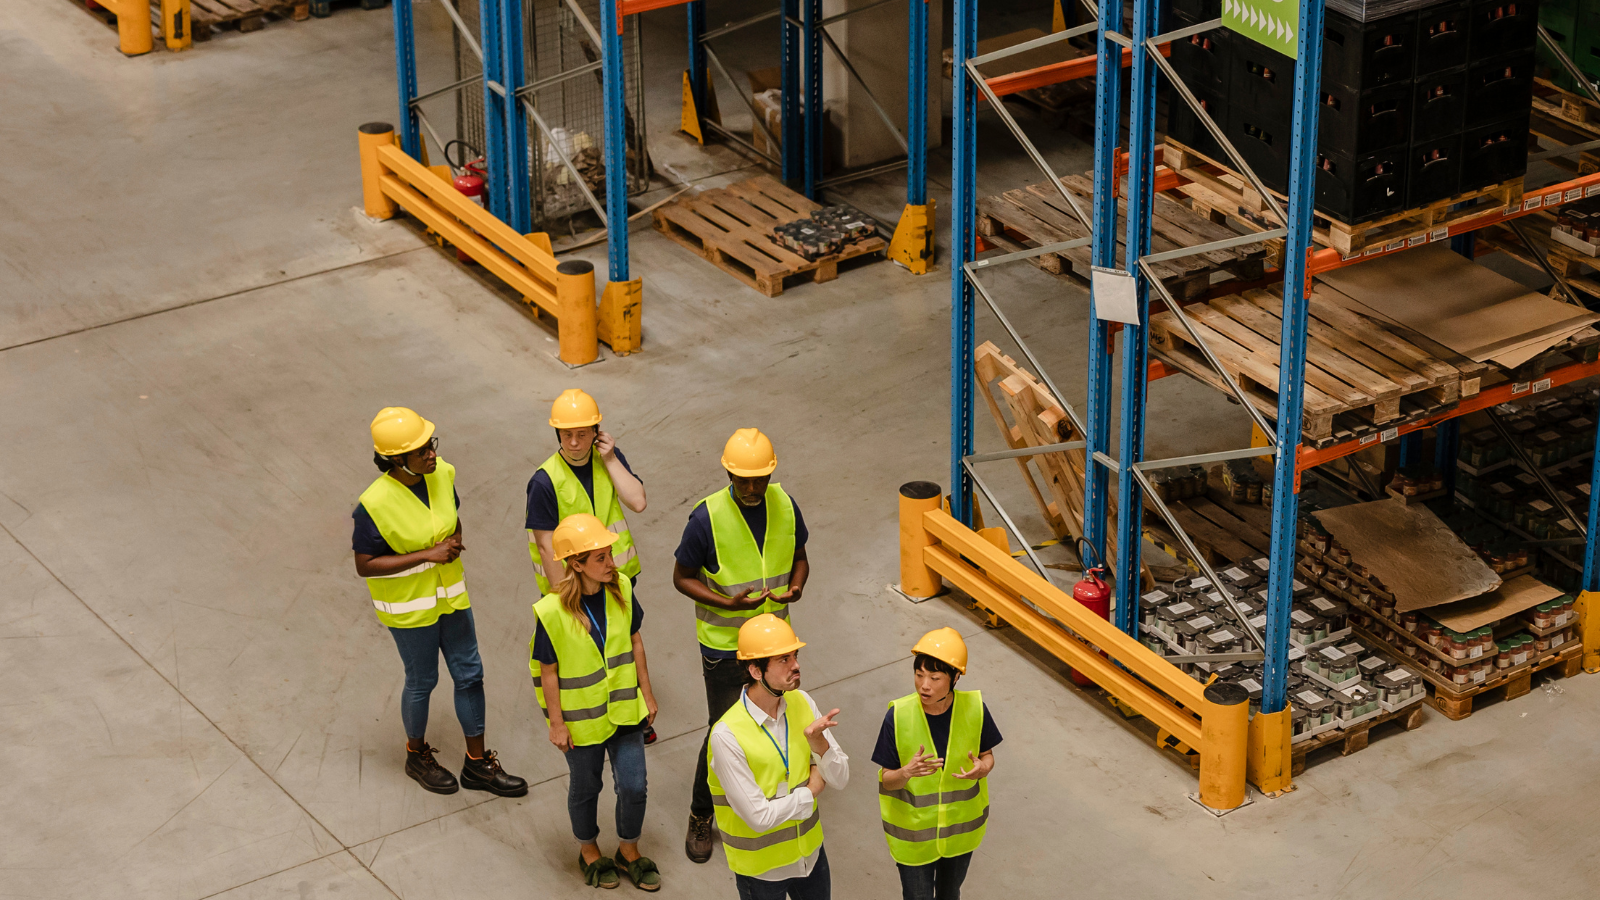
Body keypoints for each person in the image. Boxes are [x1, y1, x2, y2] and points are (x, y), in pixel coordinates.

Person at [352, 407, 527, 797]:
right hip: (410, 610)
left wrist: (454, 540)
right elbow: (364, 564)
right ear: (398, 460)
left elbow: (452, 517)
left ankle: (478, 766)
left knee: (470, 674)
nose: (432, 453)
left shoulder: (442, 473)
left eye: (431, 444)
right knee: (422, 681)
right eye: (421, 451)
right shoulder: (374, 504)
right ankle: (416, 755)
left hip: (451, 597)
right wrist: (426, 555)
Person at [674, 428, 812, 862]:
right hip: (725, 648)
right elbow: (682, 576)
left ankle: (772, 793)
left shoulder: (786, 505)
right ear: (729, 473)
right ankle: (701, 814)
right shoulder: (706, 518)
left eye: (760, 480)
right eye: (743, 480)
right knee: (723, 731)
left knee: (778, 719)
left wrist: (797, 585)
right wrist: (726, 602)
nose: (752, 488)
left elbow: (801, 555)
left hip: (775, 646)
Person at [531, 513, 662, 891]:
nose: (611, 563)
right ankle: (589, 850)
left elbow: (635, 641)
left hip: (624, 709)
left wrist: (647, 692)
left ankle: (628, 850)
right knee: (587, 787)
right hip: (581, 719)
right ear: (576, 564)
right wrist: (556, 723)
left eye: (609, 554)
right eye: (601, 558)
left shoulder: (620, 587)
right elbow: (549, 670)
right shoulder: (552, 612)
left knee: (634, 785)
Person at [527, 388, 652, 743]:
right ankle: (586, 719)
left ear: (597, 431)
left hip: (617, 576)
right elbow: (546, 544)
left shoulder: (608, 459)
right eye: (567, 434)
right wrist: (565, 599)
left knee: (620, 648)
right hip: (576, 589)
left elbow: (637, 501)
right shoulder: (544, 481)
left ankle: (631, 712)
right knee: (586, 658)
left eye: (583, 433)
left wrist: (612, 459)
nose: (575, 442)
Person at [707, 614, 847, 899]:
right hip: (762, 872)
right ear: (756, 671)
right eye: (784, 660)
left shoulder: (802, 702)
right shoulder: (727, 736)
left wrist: (819, 746)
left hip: (811, 857)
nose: (796, 665)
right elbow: (759, 817)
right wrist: (812, 790)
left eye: (794, 655)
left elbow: (842, 778)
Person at [872, 629, 1000, 900]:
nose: (924, 685)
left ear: (955, 678)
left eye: (934, 677)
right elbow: (886, 779)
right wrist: (906, 772)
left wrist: (984, 768)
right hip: (914, 838)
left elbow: (987, 755)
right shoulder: (898, 716)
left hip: (959, 834)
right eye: (919, 675)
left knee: (950, 894)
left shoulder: (975, 709)